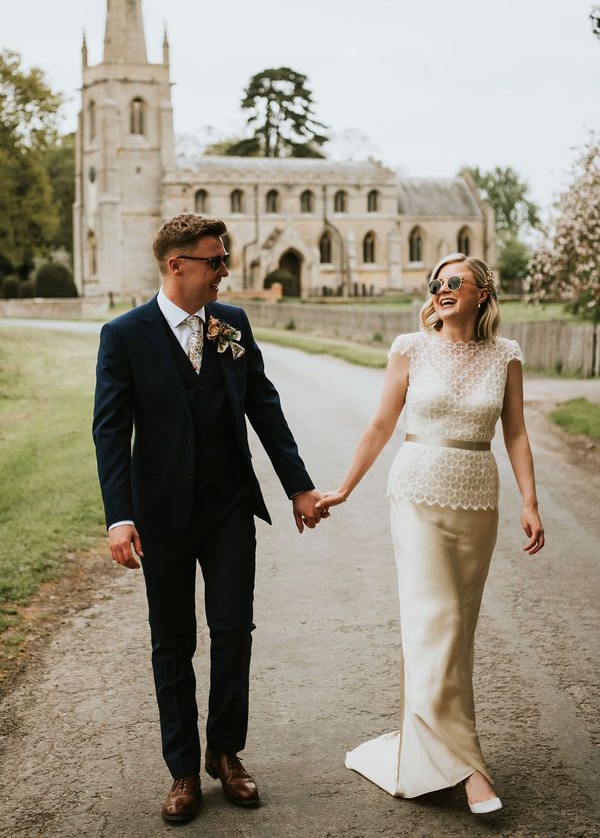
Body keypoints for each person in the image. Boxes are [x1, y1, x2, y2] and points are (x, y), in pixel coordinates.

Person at [93, 213, 325, 823]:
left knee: (233, 630)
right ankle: (182, 771)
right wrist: (119, 517)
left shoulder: (232, 323)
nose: (225, 270)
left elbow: (263, 407)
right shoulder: (124, 335)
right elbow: (111, 433)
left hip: (228, 507)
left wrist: (299, 487)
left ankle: (225, 753)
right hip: (162, 515)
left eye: (224, 260)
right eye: (215, 261)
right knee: (173, 643)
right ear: (177, 265)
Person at [316, 253, 545, 815]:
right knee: (433, 624)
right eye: (436, 282)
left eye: (455, 281)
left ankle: (432, 753)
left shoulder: (506, 355)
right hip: (416, 495)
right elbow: (381, 424)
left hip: (478, 500)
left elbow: (515, 432)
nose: (442, 288)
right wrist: (345, 487)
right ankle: (470, 769)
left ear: (482, 293)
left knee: (457, 633)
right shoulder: (410, 348)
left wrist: (530, 501)